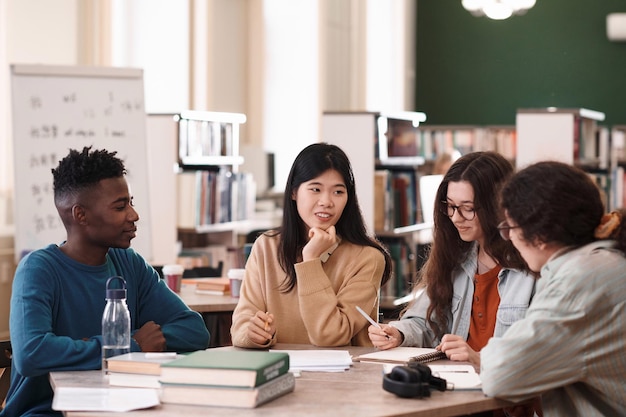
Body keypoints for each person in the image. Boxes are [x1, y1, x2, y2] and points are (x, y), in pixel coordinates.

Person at [1, 147, 209, 416]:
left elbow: (194, 330)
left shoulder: (129, 263)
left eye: (131, 202)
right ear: (81, 215)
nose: (133, 215)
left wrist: (142, 343)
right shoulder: (39, 269)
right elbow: (32, 354)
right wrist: (130, 347)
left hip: (120, 406)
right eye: (120, 206)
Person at [481, 161, 626, 416]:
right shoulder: (606, 263)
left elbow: (499, 374)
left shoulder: (579, 280)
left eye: (509, 228)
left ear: (538, 235)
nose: (510, 238)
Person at [368, 151, 536, 369]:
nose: (456, 217)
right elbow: (426, 322)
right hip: (459, 389)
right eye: (450, 206)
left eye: (468, 208)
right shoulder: (455, 257)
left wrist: (479, 359)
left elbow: (539, 356)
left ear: (497, 206)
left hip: (507, 395)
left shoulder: (532, 267)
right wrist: (398, 333)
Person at [230, 142, 392, 348]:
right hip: (279, 368)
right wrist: (253, 334)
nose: (326, 201)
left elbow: (329, 335)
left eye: (338, 192)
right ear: (294, 192)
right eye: (315, 189)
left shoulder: (367, 258)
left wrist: (311, 262)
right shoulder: (266, 247)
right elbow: (241, 325)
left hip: (345, 376)